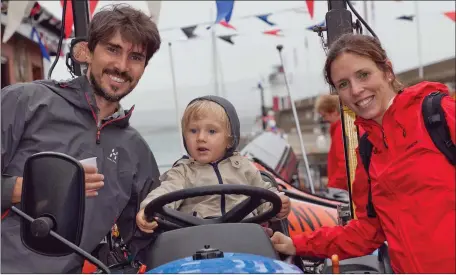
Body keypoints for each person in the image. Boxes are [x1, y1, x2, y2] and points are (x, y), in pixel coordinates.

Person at [270, 33, 455, 273]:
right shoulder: (368, 151)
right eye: (343, 84)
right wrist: (297, 244)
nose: (356, 90)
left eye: (363, 75)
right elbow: (368, 232)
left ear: (387, 71)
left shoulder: (438, 115)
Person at [1, 4, 162, 273]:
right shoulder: (25, 103)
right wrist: (29, 188)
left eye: (135, 57)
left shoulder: (137, 151)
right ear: (86, 51)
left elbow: (144, 238)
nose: (121, 66)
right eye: (112, 49)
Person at [136, 96, 291, 233]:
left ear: (230, 139)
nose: (201, 138)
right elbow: (166, 192)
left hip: (244, 236)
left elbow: (265, 198)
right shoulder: (182, 172)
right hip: (197, 242)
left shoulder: (244, 168)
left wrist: (278, 206)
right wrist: (148, 207)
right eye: (193, 131)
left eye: (211, 131)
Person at [314, 94, 348, 191]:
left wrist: (332, 188)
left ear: (334, 111)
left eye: (324, 115)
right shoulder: (341, 128)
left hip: (340, 189)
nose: (324, 119)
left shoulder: (340, 131)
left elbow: (344, 165)